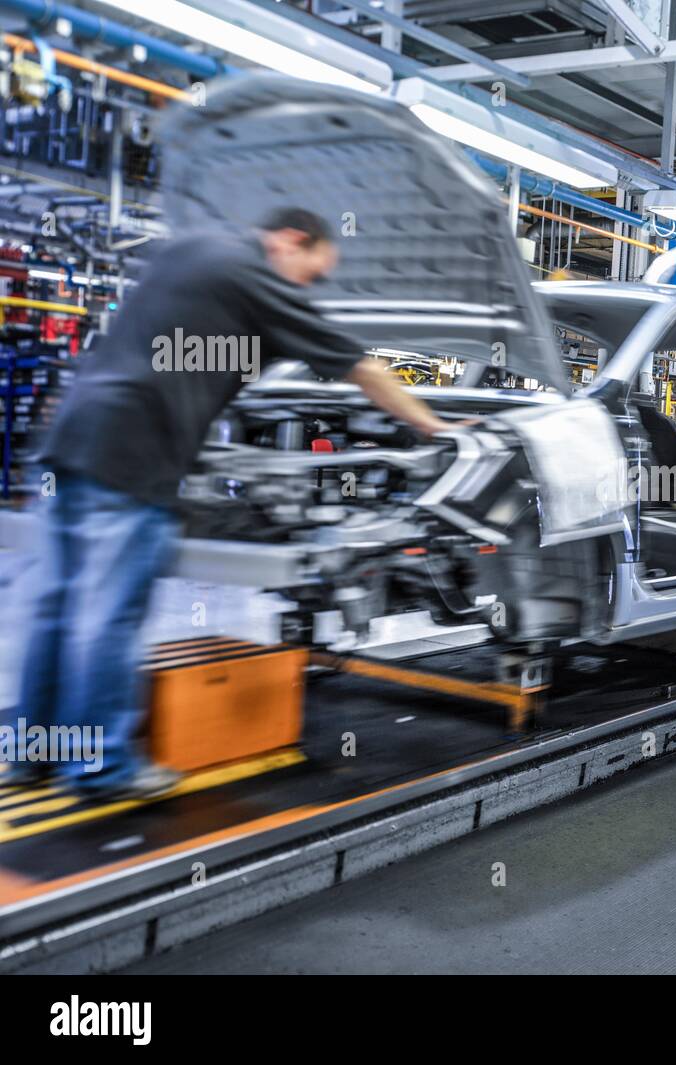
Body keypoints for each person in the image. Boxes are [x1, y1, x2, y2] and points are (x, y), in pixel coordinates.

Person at [6, 207, 453, 800]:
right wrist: (433, 426)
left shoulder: (193, 251)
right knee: (105, 615)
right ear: (291, 241)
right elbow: (362, 367)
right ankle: (100, 769)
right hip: (133, 458)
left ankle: (34, 755)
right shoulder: (256, 276)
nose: (308, 286)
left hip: (72, 441)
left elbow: (187, 355)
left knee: (56, 608)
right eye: (313, 273)